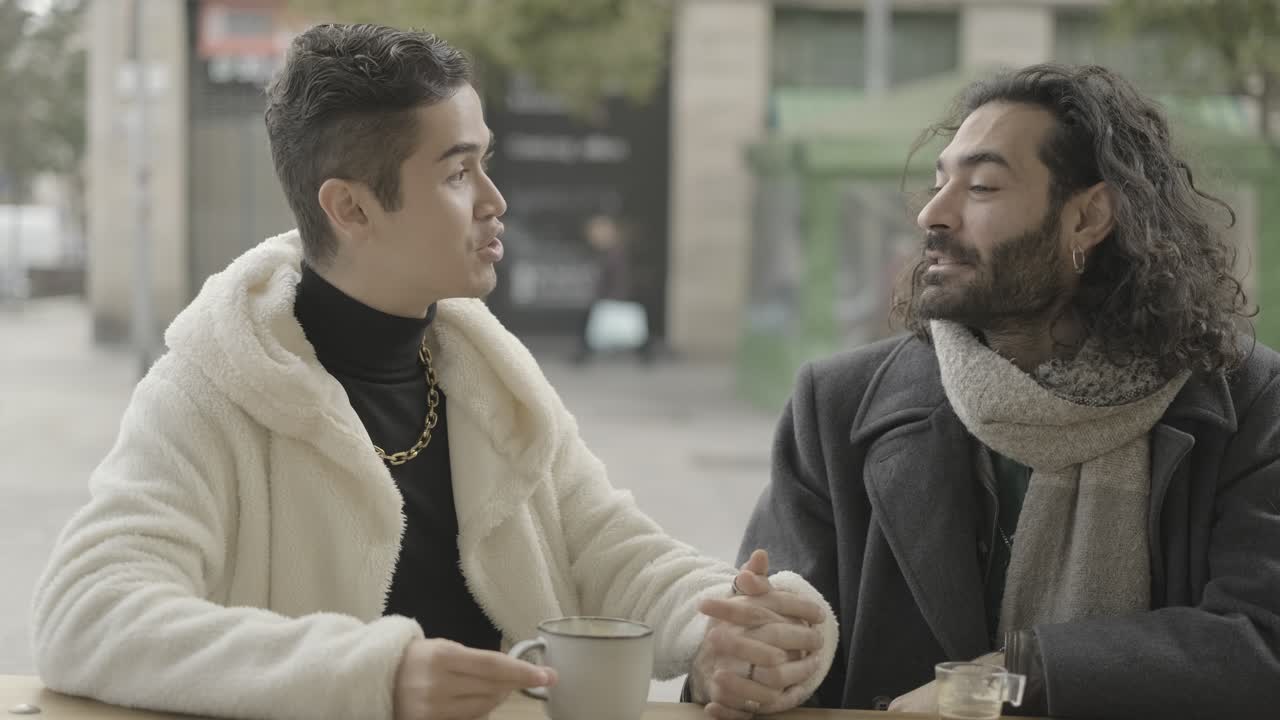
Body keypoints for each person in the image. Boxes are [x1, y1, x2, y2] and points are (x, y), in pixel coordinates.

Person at [29, 24, 838, 720]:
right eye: (457, 172)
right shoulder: (213, 384)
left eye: (485, 162)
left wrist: (732, 625)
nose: (495, 200)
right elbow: (87, 613)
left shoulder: (491, 375)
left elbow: (612, 552)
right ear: (350, 208)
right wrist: (375, 675)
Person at [737, 64, 1280, 719]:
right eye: (938, 184)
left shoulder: (1249, 404)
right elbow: (775, 641)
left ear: (1089, 217)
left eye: (983, 186)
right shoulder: (836, 406)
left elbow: (1258, 646)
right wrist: (747, 664)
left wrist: (1015, 680)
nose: (933, 214)